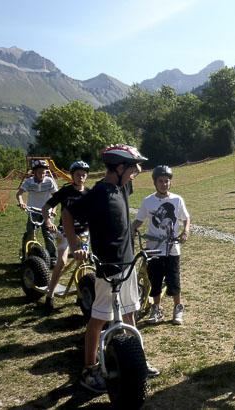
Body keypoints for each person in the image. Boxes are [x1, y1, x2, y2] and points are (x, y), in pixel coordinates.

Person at [62, 144, 159, 393]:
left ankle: (137, 360)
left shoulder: (122, 186)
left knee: (129, 314)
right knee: (99, 318)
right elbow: (67, 215)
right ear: (118, 168)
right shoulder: (100, 194)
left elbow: (133, 175)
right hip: (108, 267)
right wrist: (74, 246)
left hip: (127, 263)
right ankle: (89, 368)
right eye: (133, 167)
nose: (138, 171)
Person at [132, 165, 190, 325]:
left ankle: (178, 308)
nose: (164, 184)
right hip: (153, 248)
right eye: (160, 181)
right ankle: (157, 308)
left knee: (174, 279)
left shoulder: (177, 200)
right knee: (155, 280)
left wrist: (185, 231)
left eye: (166, 181)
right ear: (155, 182)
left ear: (170, 183)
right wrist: (128, 230)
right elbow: (138, 221)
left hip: (172, 248)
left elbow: (186, 218)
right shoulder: (148, 201)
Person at [41, 161, 90, 315]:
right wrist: (48, 221)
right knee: (61, 260)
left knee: (82, 263)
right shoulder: (65, 192)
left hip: (83, 232)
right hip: (64, 231)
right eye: (78, 175)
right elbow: (46, 208)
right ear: (72, 176)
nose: (81, 178)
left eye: (83, 175)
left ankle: (81, 295)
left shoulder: (89, 193)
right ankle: (50, 296)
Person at [16, 159, 58, 268]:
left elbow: (56, 197)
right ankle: (26, 257)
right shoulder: (29, 182)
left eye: (44, 172)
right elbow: (19, 194)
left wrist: (54, 210)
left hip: (46, 212)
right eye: (39, 172)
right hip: (33, 211)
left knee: (49, 234)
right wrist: (21, 203)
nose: (42, 174)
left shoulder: (49, 181)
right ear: (34, 172)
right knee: (30, 232)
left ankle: (53, 259)